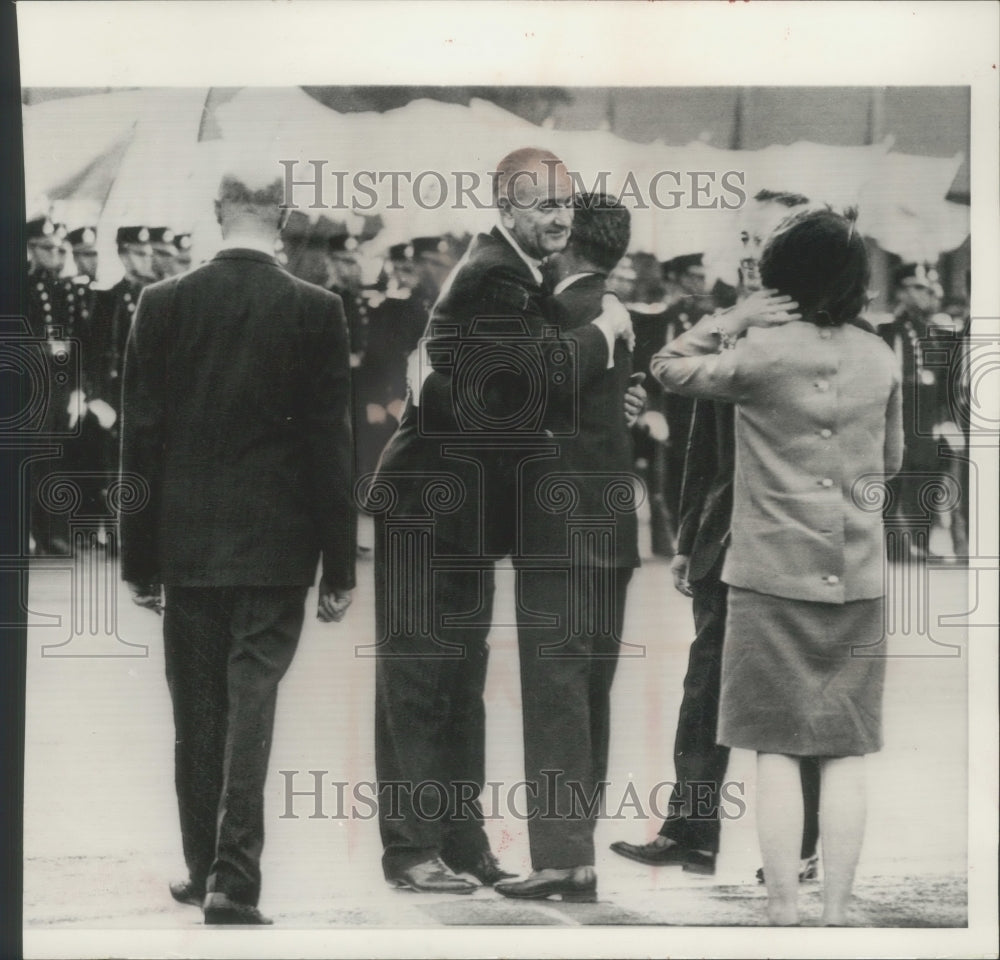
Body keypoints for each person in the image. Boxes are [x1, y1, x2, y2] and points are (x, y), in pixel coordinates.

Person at [367, 148, 633, 896]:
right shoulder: (498, 272)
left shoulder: (516, 271)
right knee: (421, 678)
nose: (559, 218)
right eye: (543, 205)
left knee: (459, 677)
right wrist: (606, 333)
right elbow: (540, 373)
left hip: (463, 509)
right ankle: (412, 850)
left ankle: (461, 843)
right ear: (507, 207)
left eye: (566, 205)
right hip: (429, 505)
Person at [651, 207, 903, 926]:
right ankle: (837, 910)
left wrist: (735, 316)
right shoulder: (880, 355)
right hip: (855, 577)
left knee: (775, 750)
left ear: (780, 278)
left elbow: (668, 366)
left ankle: (784, 910)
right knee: (846, 751)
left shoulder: (761, 354)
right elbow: (890, 463)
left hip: (767, 578)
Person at [119, 163, 356, 925]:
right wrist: (340, 563)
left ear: (218, 211)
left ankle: (202, 865)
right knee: (252, 701)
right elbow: (330, 444)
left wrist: (138, 557)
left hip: (188, 544)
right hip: (278, 547)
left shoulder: (162, 303)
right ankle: (233, 876)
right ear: (283, 219)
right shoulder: (318, 309)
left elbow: (141, 440)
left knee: (197, 712)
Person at [611, 191, 823, 881]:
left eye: (762, 241)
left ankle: (800, 848)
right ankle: (691, 831)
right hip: (722, 538)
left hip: (788, 542)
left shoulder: (823, 331)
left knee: (792, 698)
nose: (748, 255)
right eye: (742, 238)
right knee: (705, 687)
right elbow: (703, 443)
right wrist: (686, 534)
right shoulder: (728, 325)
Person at [494, 193, 640, 903]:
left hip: (556, 529)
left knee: (555, 693)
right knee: (589, 692)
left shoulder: (555, 310)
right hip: (611, 528)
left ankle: (560, 856)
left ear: (570, 240)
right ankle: (577, 848)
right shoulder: (615, 311)